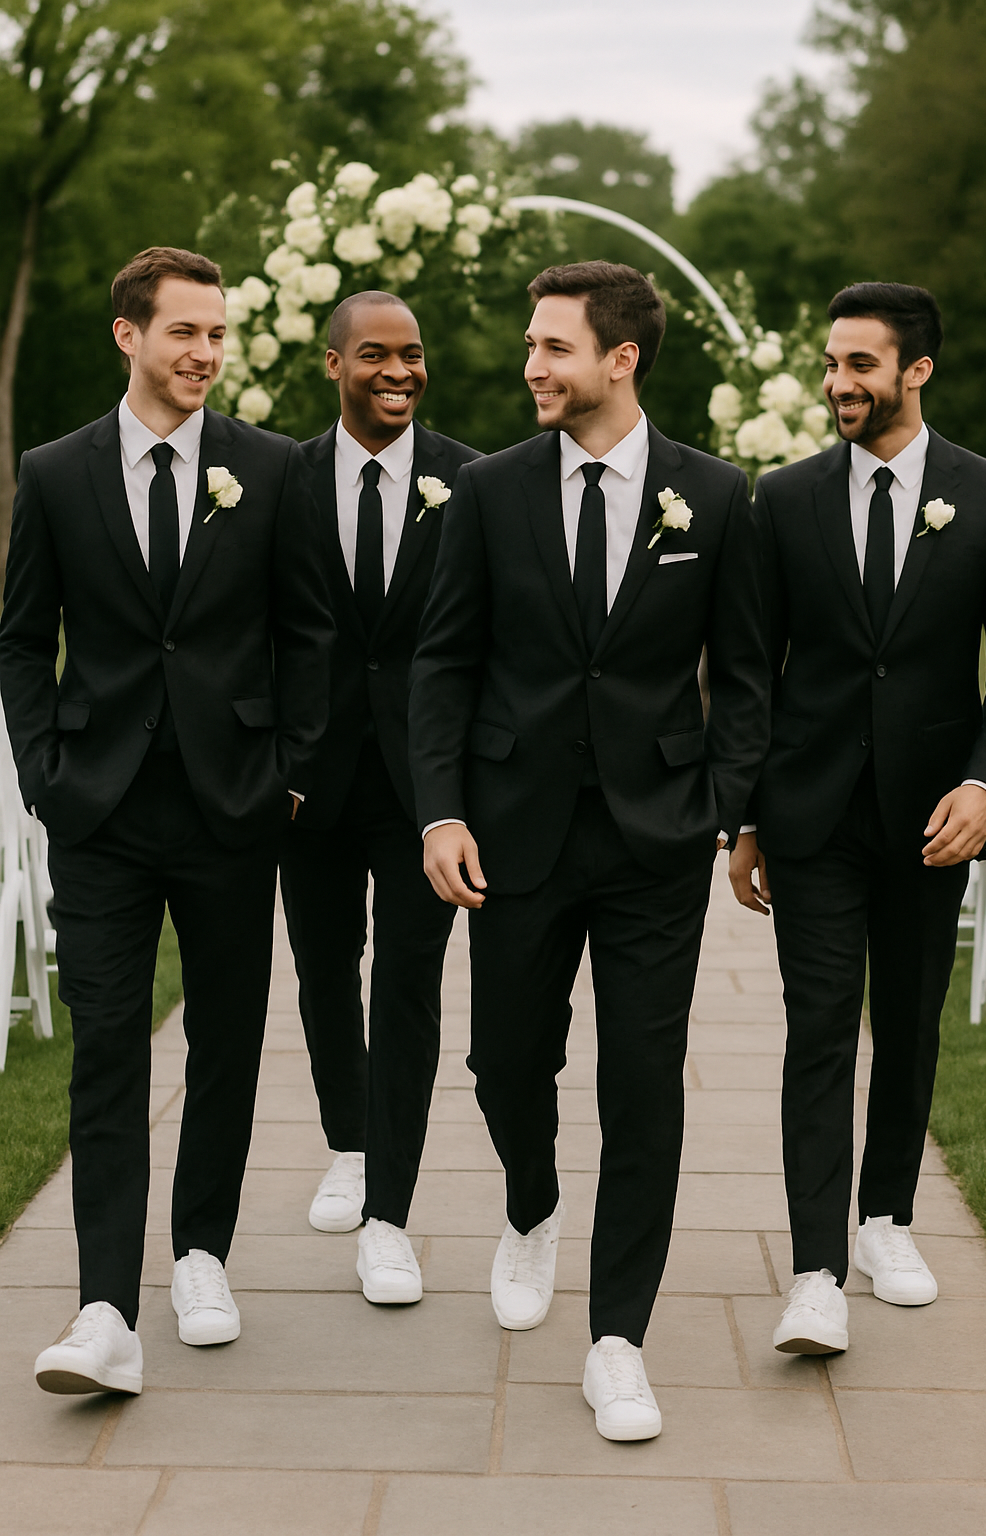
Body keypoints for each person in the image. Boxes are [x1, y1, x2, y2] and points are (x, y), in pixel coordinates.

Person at [408, 261, 769, 1440]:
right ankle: (530, 1204)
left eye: (553, 347)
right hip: (511, 833)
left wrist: (717, 800)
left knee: (643, 1089)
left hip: (654, 838)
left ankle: (619, 1339)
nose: (531, 367)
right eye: (529, 346)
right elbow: (444, 663)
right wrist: (441, 810)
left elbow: (748, 672)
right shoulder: (488, 490)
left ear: (620, 358)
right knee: (505, 1064)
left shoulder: (714, 499)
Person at [0, 247, 333, 1396]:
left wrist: (287, 771)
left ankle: (201, 1254)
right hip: (97, 809)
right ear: (127, 336)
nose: (204, 354)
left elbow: (311, 632)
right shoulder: (53, 472)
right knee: (104, 1050)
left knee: (228, 1043)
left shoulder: (272, 467)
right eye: (183, 332)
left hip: (236, 807)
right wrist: (45, 769)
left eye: (217, 334)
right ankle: (102, 1306)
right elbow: (17, 634)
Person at [729, 282, 986, 1356]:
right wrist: (746, 819)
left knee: (905, 1028)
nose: (838, 384)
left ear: (916, 371)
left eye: (861, 365)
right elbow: (752, 671)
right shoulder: (786, 497)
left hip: (932, 819)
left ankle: (886, 1218)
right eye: (831, 364)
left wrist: (984, 788)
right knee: (817, 1035)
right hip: (810, 814)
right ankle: (813, 1273)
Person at [280, 291, 480, 1304]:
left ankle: (389, 1214)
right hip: (307, 786)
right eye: (375, 355)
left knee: (406, 983)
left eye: (412, 355)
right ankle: (347, 1142)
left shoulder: (471, 482)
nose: (399, 372)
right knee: (322, 972)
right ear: (333, 366)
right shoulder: (280, 479)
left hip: (425, 790)